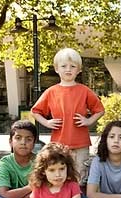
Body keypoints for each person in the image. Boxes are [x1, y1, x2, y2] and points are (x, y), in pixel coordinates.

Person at [31, 48, 105, 183]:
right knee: (60, 175)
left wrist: (88, 121)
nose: (68, 69)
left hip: (80, 143)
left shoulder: (84, 90)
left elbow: (99, 110)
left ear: (79, 70)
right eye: (64, 66)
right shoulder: (51, 92)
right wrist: (47, 123)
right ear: (56, 69)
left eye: (73, 66)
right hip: (58, 144)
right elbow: (35, 111)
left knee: (80, 175)